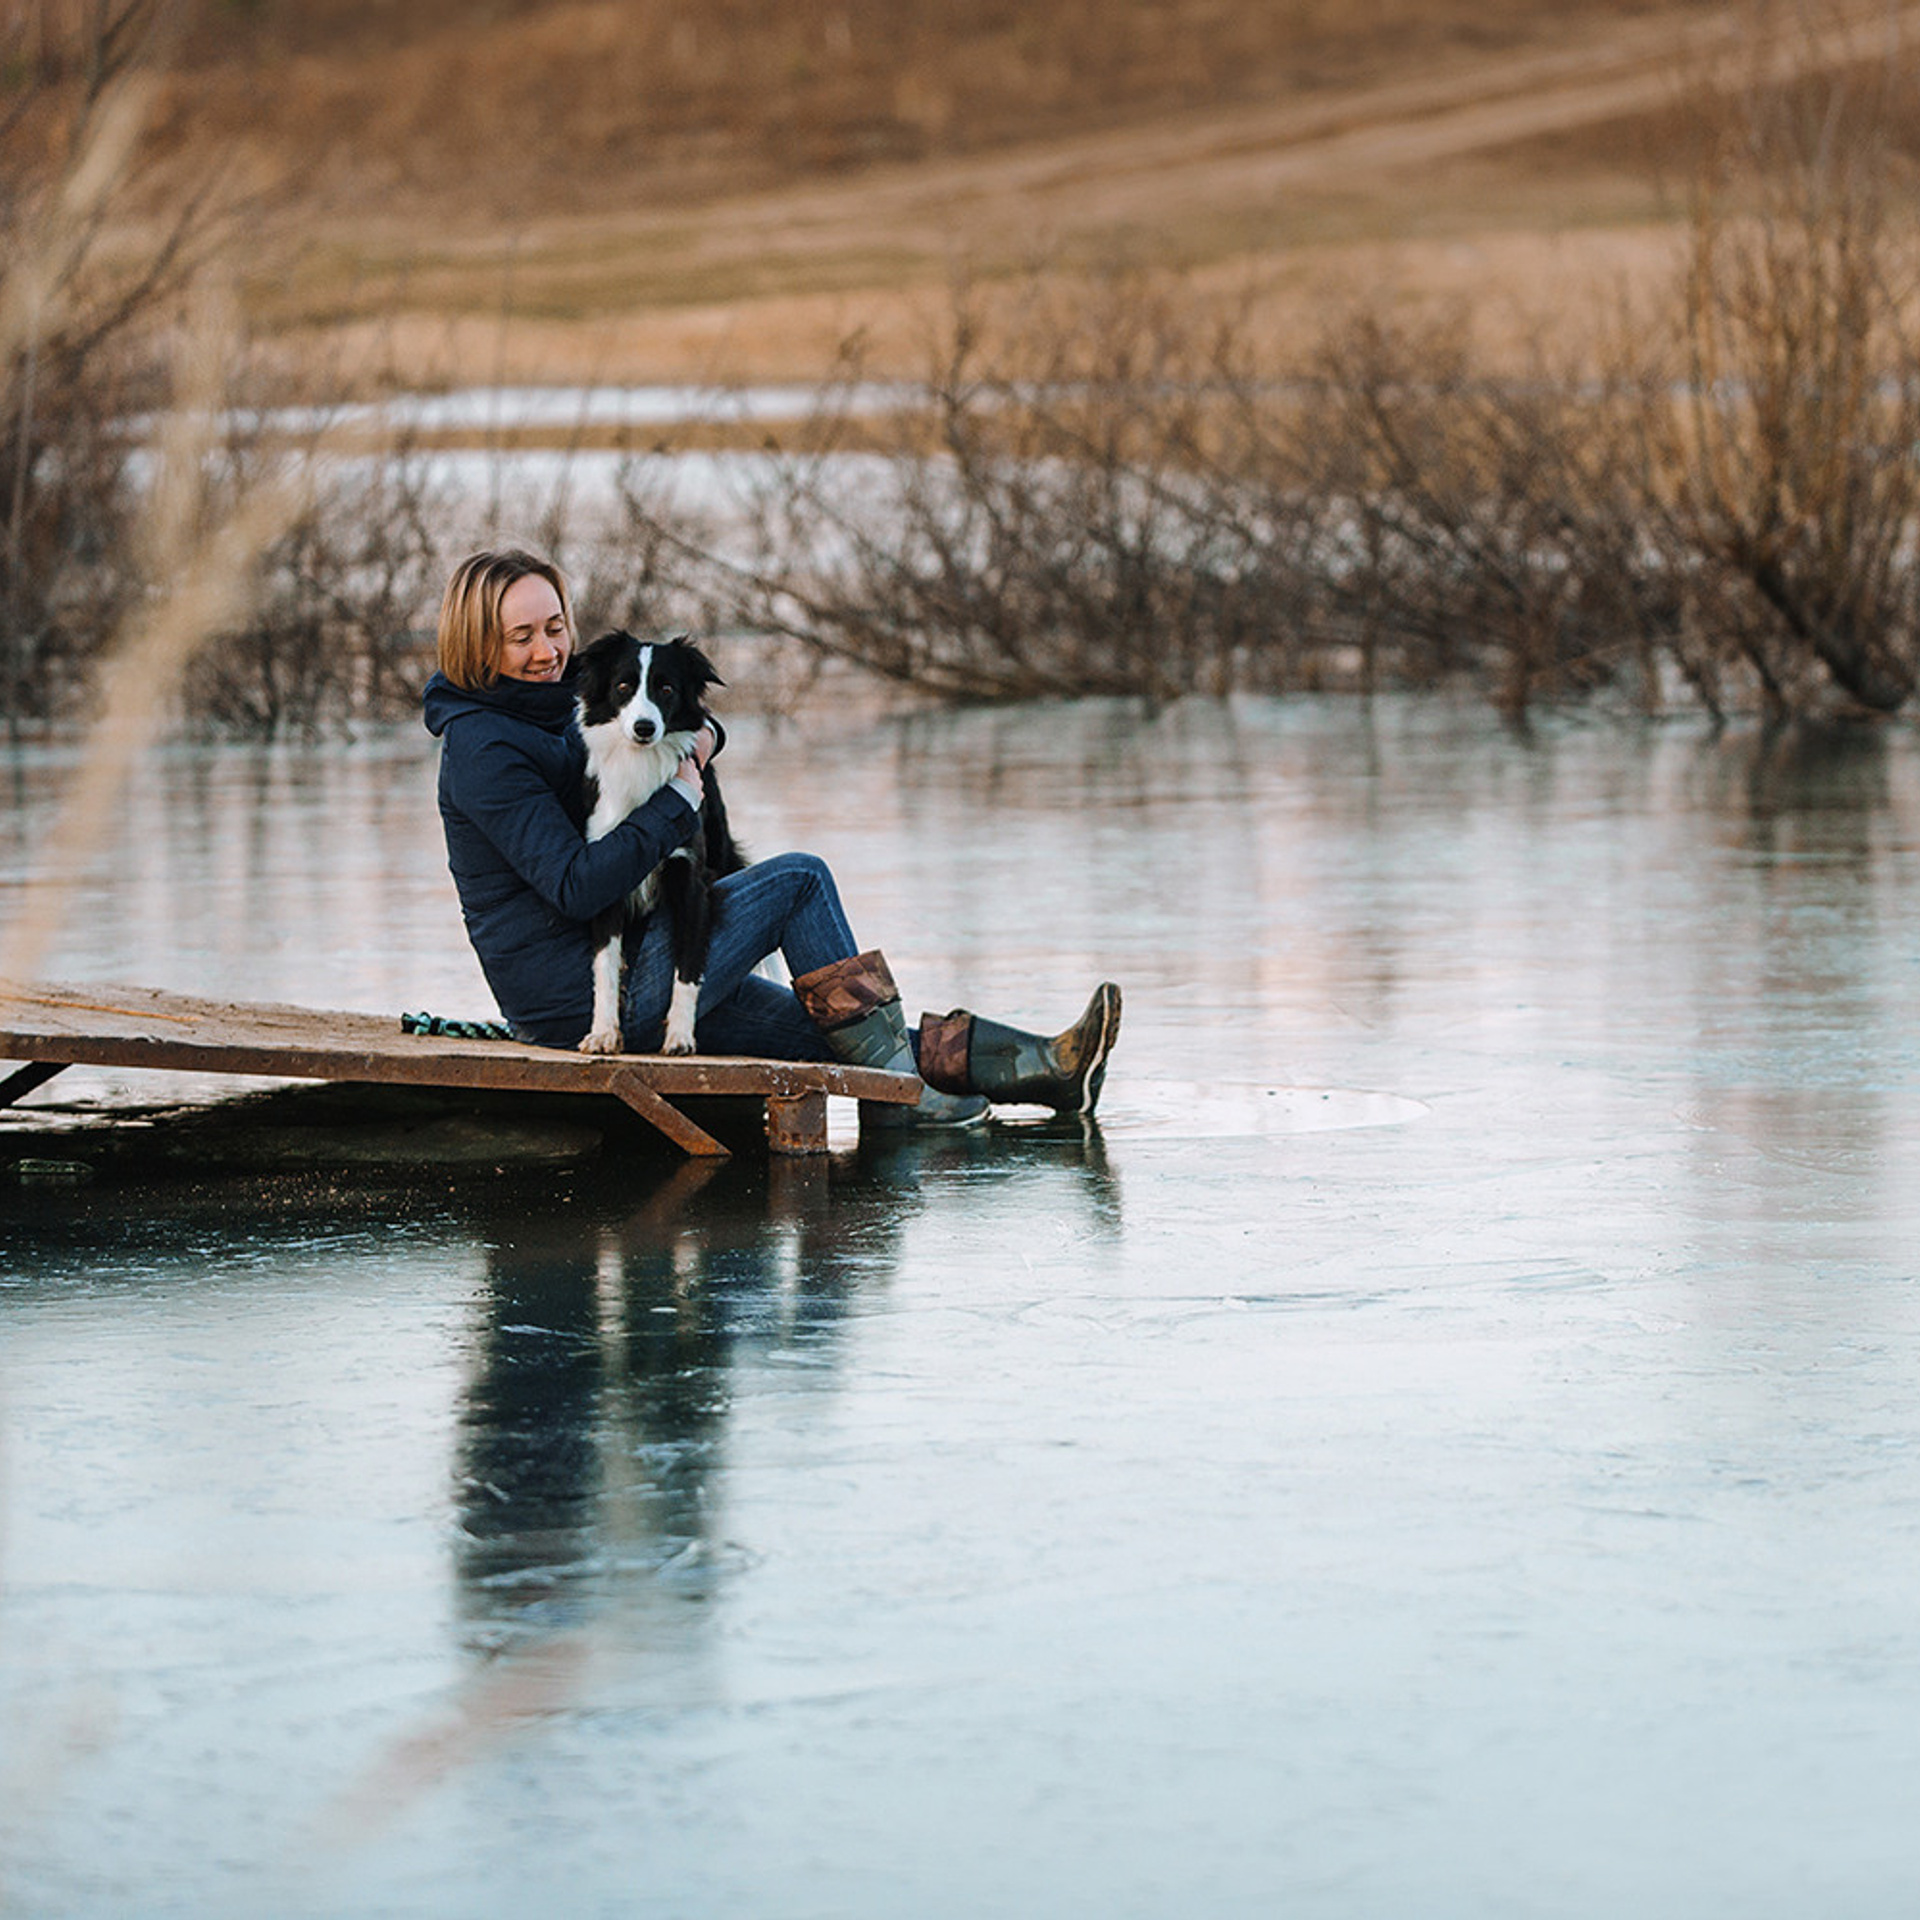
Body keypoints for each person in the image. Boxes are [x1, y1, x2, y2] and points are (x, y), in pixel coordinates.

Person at [421, 547, 1120, 1127]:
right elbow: (575, 887)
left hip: (648, 955)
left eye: (555, 627)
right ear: (477, 643)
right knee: (798, 880)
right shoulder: (485, 750)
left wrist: (701, 737)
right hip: (587, 1001)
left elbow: (667, 708)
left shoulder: (549, 708)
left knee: (825, 1027)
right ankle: (899, 1109)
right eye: (522, 638)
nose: (548, 651)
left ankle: (1049, 1067)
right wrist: (680, 800)